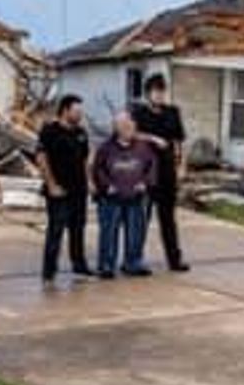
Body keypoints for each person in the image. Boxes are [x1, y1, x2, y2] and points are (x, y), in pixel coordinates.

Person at [131, 74, 190, 272]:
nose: (159, 95)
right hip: (145, 171)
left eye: (162, 91)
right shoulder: (139, 113)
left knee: (168, 218)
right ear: (148, 93)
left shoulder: (173, 112)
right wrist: (153, 138)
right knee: (142, 218)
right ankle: (134, 259)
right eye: (156, 91)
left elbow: (179, 141)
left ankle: (174, 259)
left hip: (167, 171)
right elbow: (131, 134)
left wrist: (181, 167)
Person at [90, 110, 160, 278]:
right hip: (111, 198)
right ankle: (106, 265)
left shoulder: (143, 147)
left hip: (136, 198)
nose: (127, 127)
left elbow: (152, 166)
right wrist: (107, 186)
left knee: (136, 232)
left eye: (130, 124)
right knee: (109, 232)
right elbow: (97, 169)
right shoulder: (106, 148)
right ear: (116, 128)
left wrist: (145, 182)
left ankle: (133, 263)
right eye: (123, 125)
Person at [35, 94, 94, 283]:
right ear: (65, 111)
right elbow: (41, 158)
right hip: (58, 190)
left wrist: (89, 182)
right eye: (76, 111)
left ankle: (79, 264)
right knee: (56, 230)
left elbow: (85, 160)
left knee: (78, 229)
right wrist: (51, 185)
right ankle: (49, 270)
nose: (80, 115)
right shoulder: (50, 131)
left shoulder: (81, 133)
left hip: (79, 190)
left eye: (81, 112)